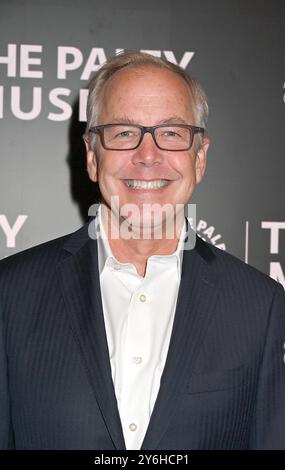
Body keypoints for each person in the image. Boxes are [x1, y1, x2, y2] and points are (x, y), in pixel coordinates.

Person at [0, 51, 285, 451]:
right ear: (91, 156)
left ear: (200, 158)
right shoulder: (10, 294)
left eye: (171, 133)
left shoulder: (261, 306)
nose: (147, 155)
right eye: (123, 132)